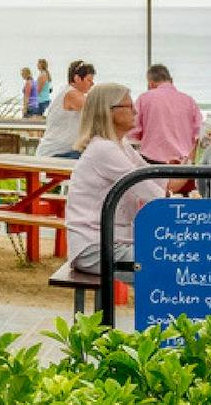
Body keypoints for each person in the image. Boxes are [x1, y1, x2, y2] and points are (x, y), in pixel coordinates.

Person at [63, 83, 164, 271]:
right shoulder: (104, 149)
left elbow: (151, 175)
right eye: (129, 106)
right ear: (109, 111)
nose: (135, 111)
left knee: (170, 262)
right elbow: (151, 192)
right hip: (95, 248)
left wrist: (180, 176)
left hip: (110, 242)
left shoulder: (120, 144)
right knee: (166, 265)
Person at [130, 64, 207, 167]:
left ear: (150, 84)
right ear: (171, 80)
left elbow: (133, 130)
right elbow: (200, 133)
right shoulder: (189, 100)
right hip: (183, 163)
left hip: (152, 163)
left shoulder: (144, 98)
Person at [37, 60, 95, 157]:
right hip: (58, 153)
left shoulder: (65, 91)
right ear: (77, 78)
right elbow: (98, 112)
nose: (92, 84)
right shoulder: (72, 94)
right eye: (89, 80)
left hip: (62, 151)